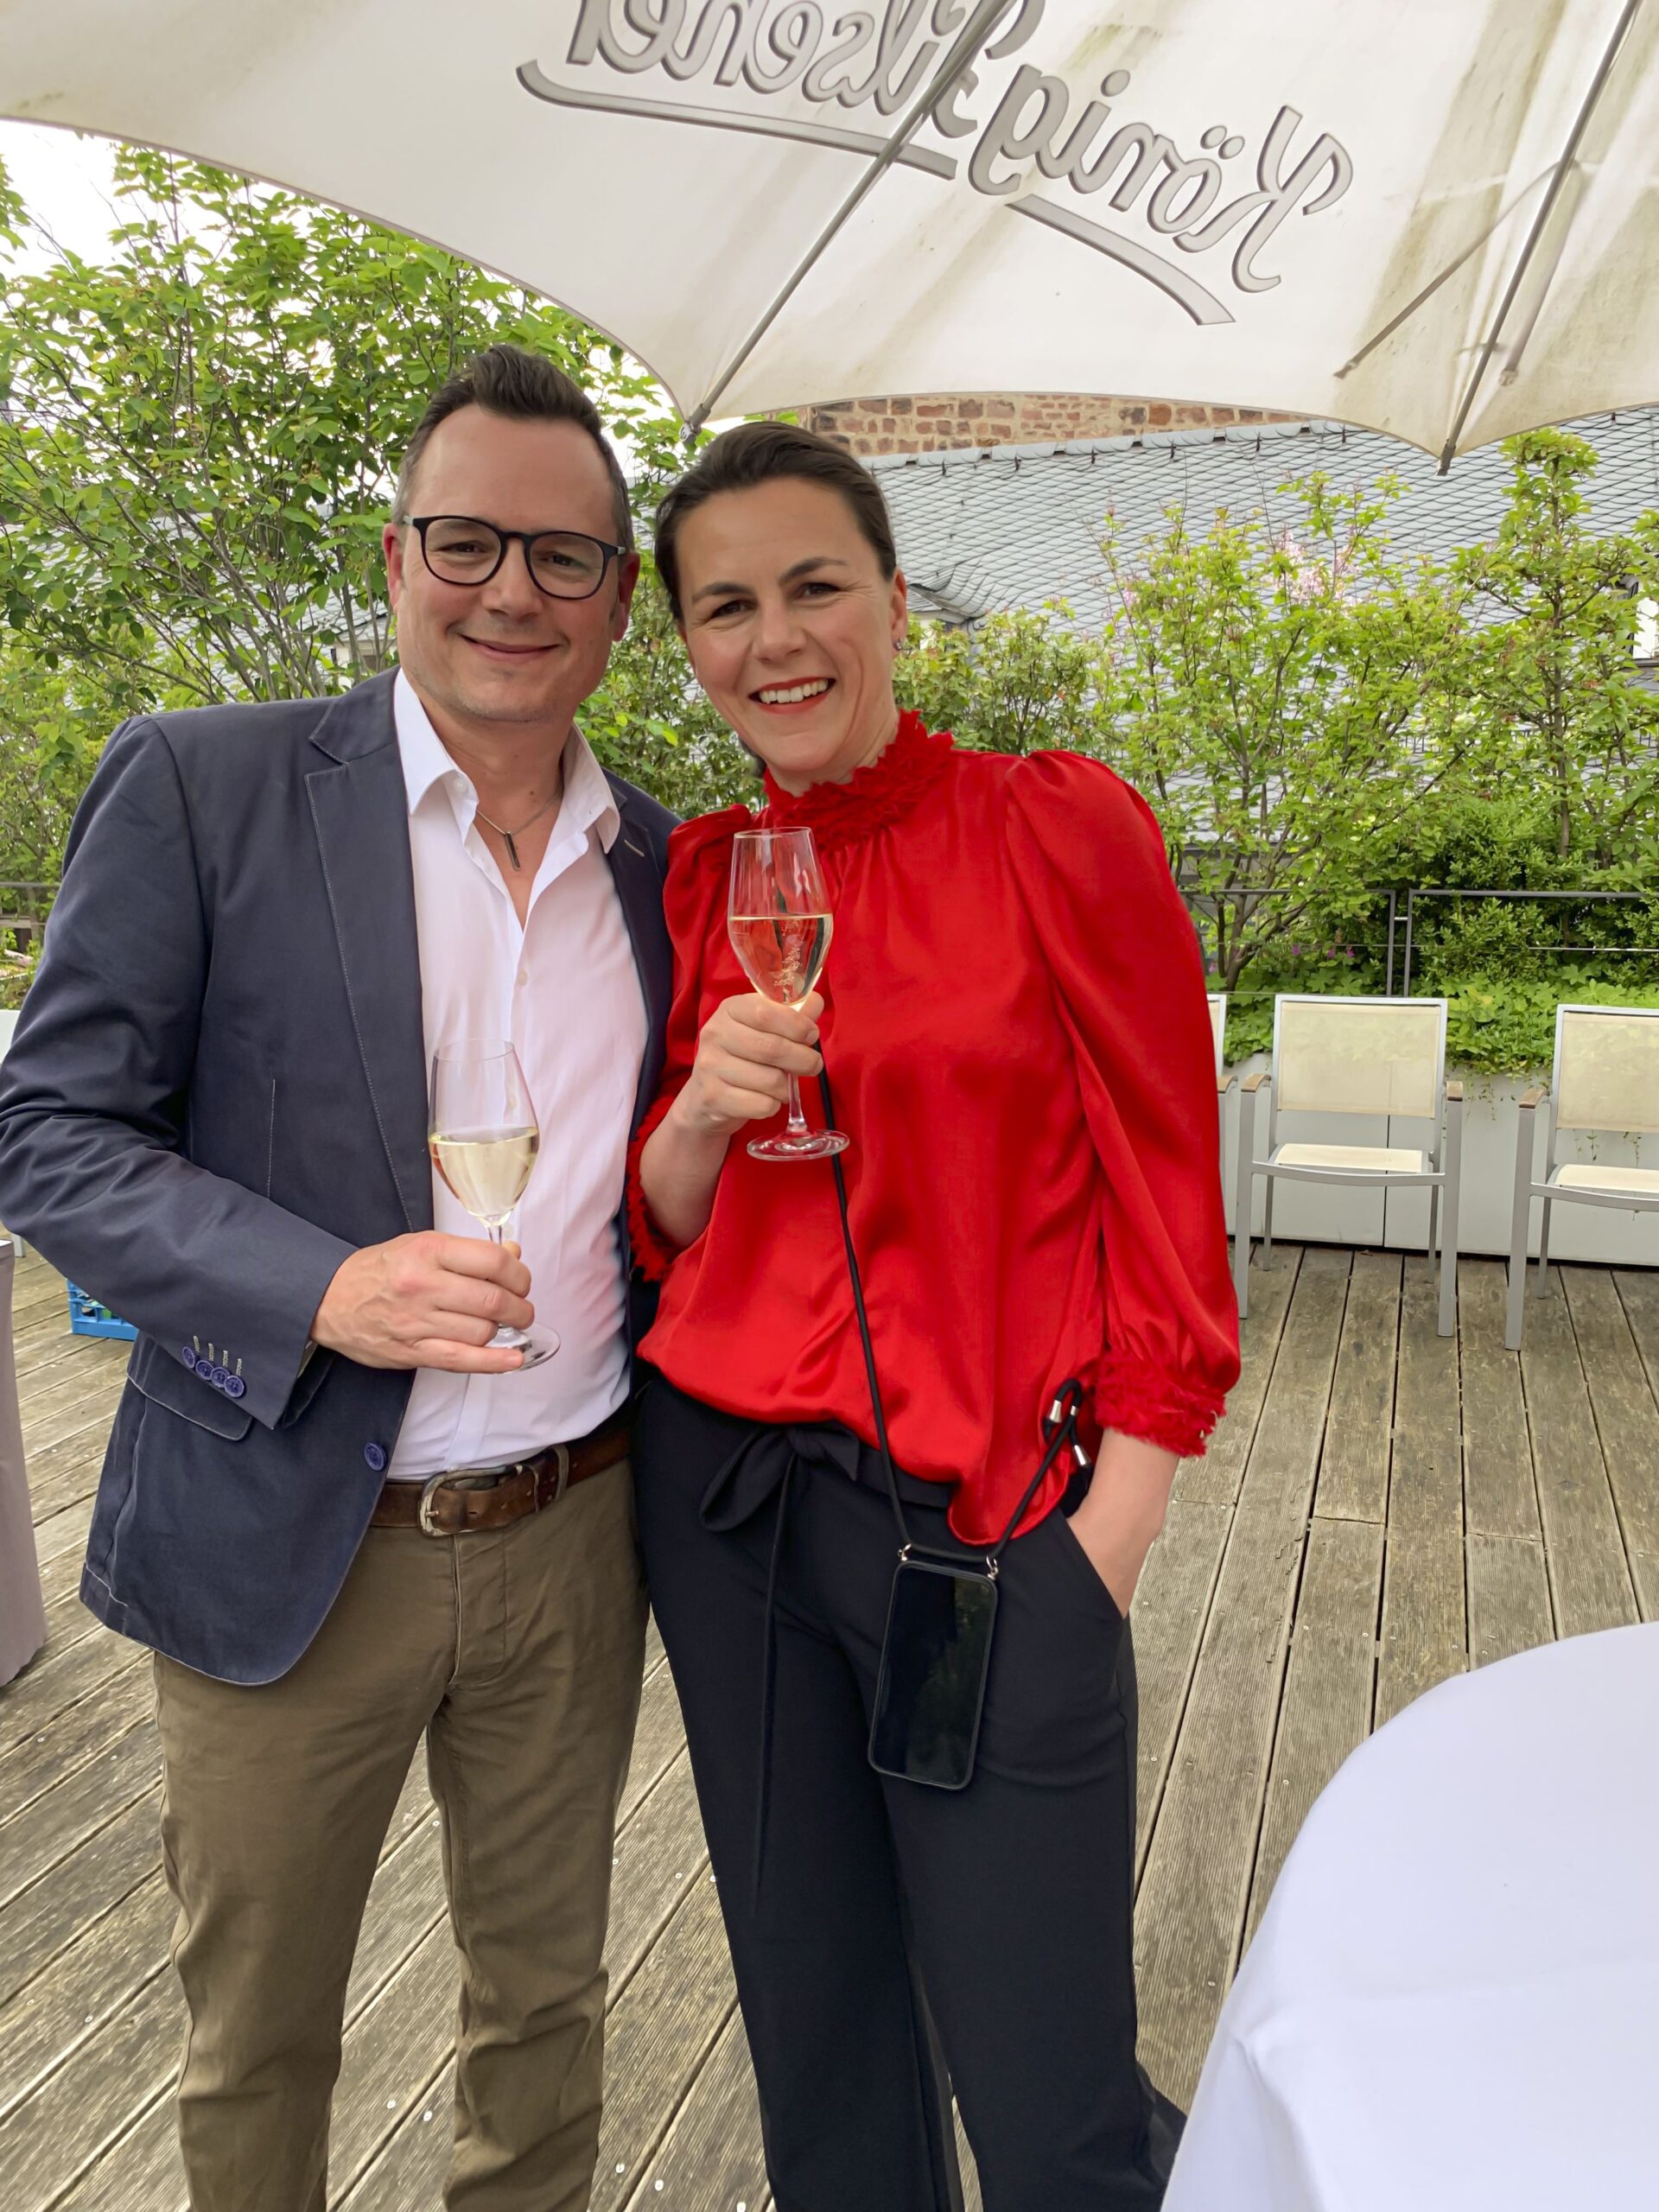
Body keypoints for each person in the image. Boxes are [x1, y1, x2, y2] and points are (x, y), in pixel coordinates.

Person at [0, 346, 674, 2212]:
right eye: (467, 541)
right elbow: (46, 1132)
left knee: (544, 2013)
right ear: (394, 560)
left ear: (619, 597)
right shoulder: (204, 783)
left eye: (562, 555)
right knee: (261, 2035)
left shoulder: (663, 867)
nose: (511, 591)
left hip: (575, 1532)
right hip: (292, 1536)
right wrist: (320, 1287)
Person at [628, 422, 1241, 2212]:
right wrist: (700, 1114)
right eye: (725, 605)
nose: (775, 637)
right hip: (725, 1514)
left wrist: (1108, 1534)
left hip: (978, 1531)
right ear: (691, 645)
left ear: (897, 603)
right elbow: (671, 1227)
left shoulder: (1049, 827)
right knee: (821, 2044)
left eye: (814, 585)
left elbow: (1167, 1185)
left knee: (1049, 2092)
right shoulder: (710, 873)